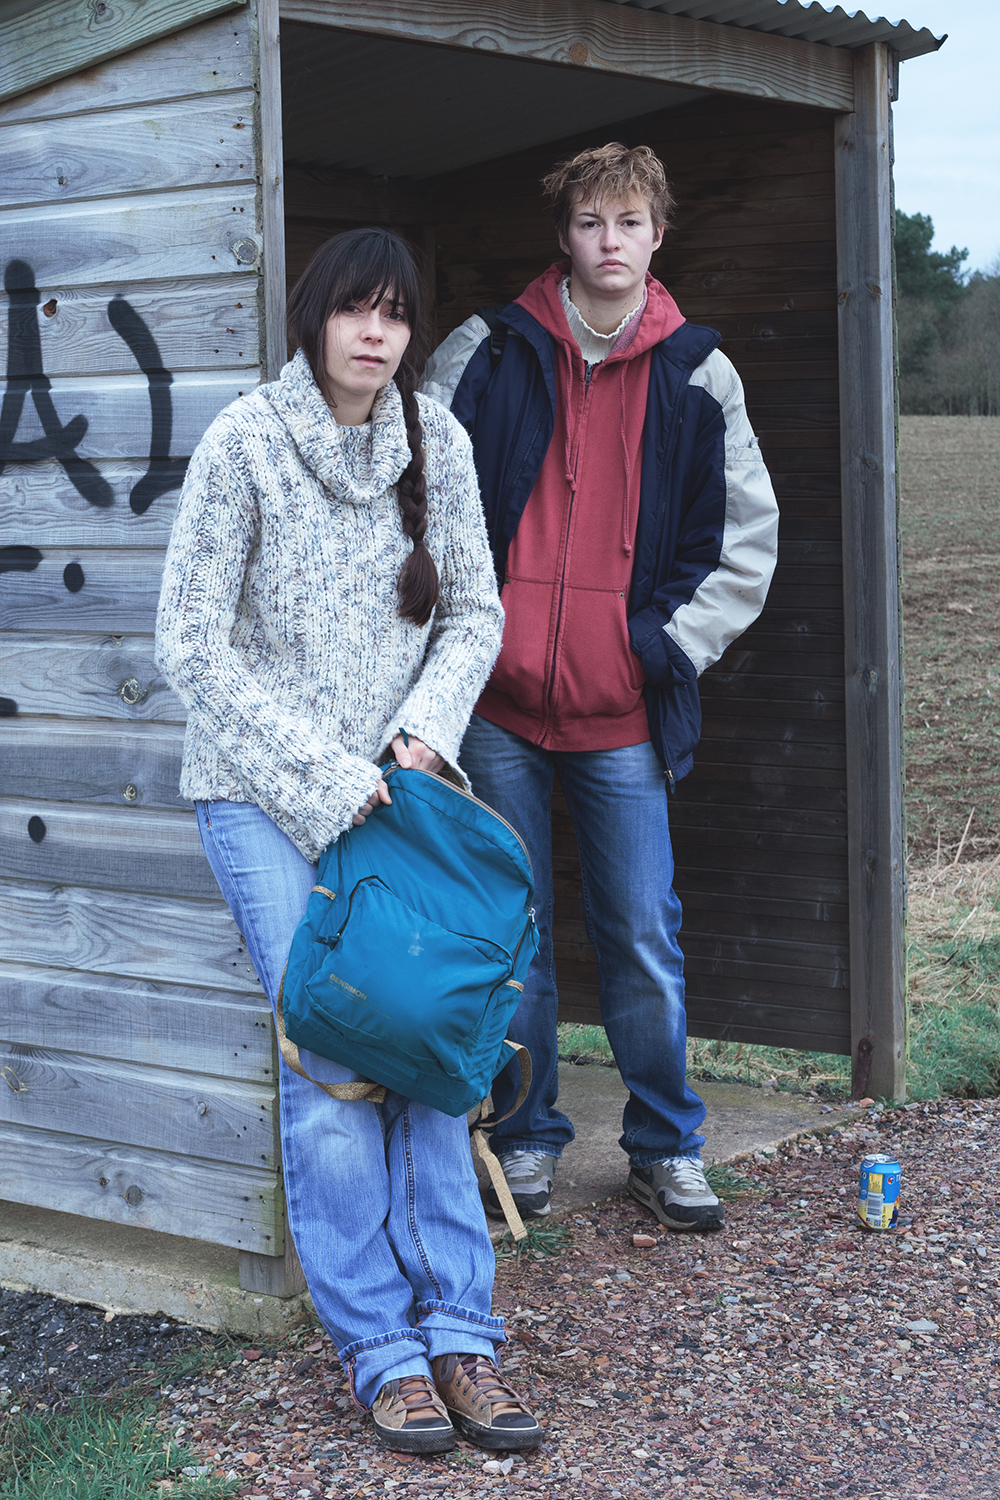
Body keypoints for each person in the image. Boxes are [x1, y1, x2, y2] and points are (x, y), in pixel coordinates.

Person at [156, 228, 542, 1455]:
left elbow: (474, 612)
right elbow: (189, 641)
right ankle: (380, 1348)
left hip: (401, 794)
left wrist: (420, 743)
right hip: (261, 796)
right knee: (331, 1049)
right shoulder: (244, 442)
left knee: (424, 1044)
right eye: (353, 310)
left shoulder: (440, 442)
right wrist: (330, 779)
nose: (374, 333)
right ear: (313, 317)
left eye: (395, 314)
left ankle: (460, 1333)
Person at [422, 143, 779, 1233]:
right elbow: (414, 495)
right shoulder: (487, 351)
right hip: (496, 712)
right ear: (564, 235)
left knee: (640, 935)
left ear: (657, 235)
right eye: (590, 221)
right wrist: (454, 645)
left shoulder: (698, 372)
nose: (609, 241)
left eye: (629, 222)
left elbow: (745, 542)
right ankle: (525, 1136)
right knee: (511, 933)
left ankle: (665, 1145)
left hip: (622, 711)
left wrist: (653, 651)